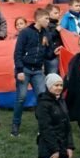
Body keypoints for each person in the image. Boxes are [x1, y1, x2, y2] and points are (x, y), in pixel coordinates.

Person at [12, 8, 50, 136]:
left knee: (42, 97)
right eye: (46, 18)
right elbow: (18, 52)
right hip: (25, 69)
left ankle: (43, 127)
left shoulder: (46, 33)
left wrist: (52, 51)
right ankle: (15, 126)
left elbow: (47, 52)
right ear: (38, 19)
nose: (48, 21)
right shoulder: (25, 32)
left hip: (38, 70)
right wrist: (19, 70)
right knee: (21, 97)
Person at [35, 73, 74, 158]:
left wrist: (70, 146)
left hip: (63, 146)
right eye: (56, 85)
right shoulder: (43, 104)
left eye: (61, 85)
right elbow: (46, 129)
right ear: (49, 86)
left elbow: (68, 127)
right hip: (49, 148)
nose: (59, 88)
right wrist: (55, 150)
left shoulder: (62, 101)